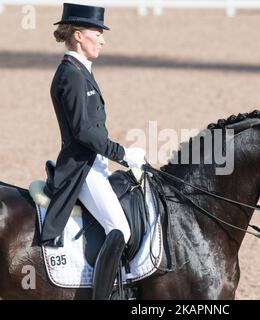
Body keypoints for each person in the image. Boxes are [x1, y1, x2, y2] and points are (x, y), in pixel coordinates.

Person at [41, 3, 145, 299]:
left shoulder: (79, 71)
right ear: (77, 35)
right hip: (82, 170)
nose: (102, 39)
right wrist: (123, 154)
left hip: (94, 165)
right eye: (97, 33)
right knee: (120, 229)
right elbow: (86, 132)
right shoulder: (71, 75)